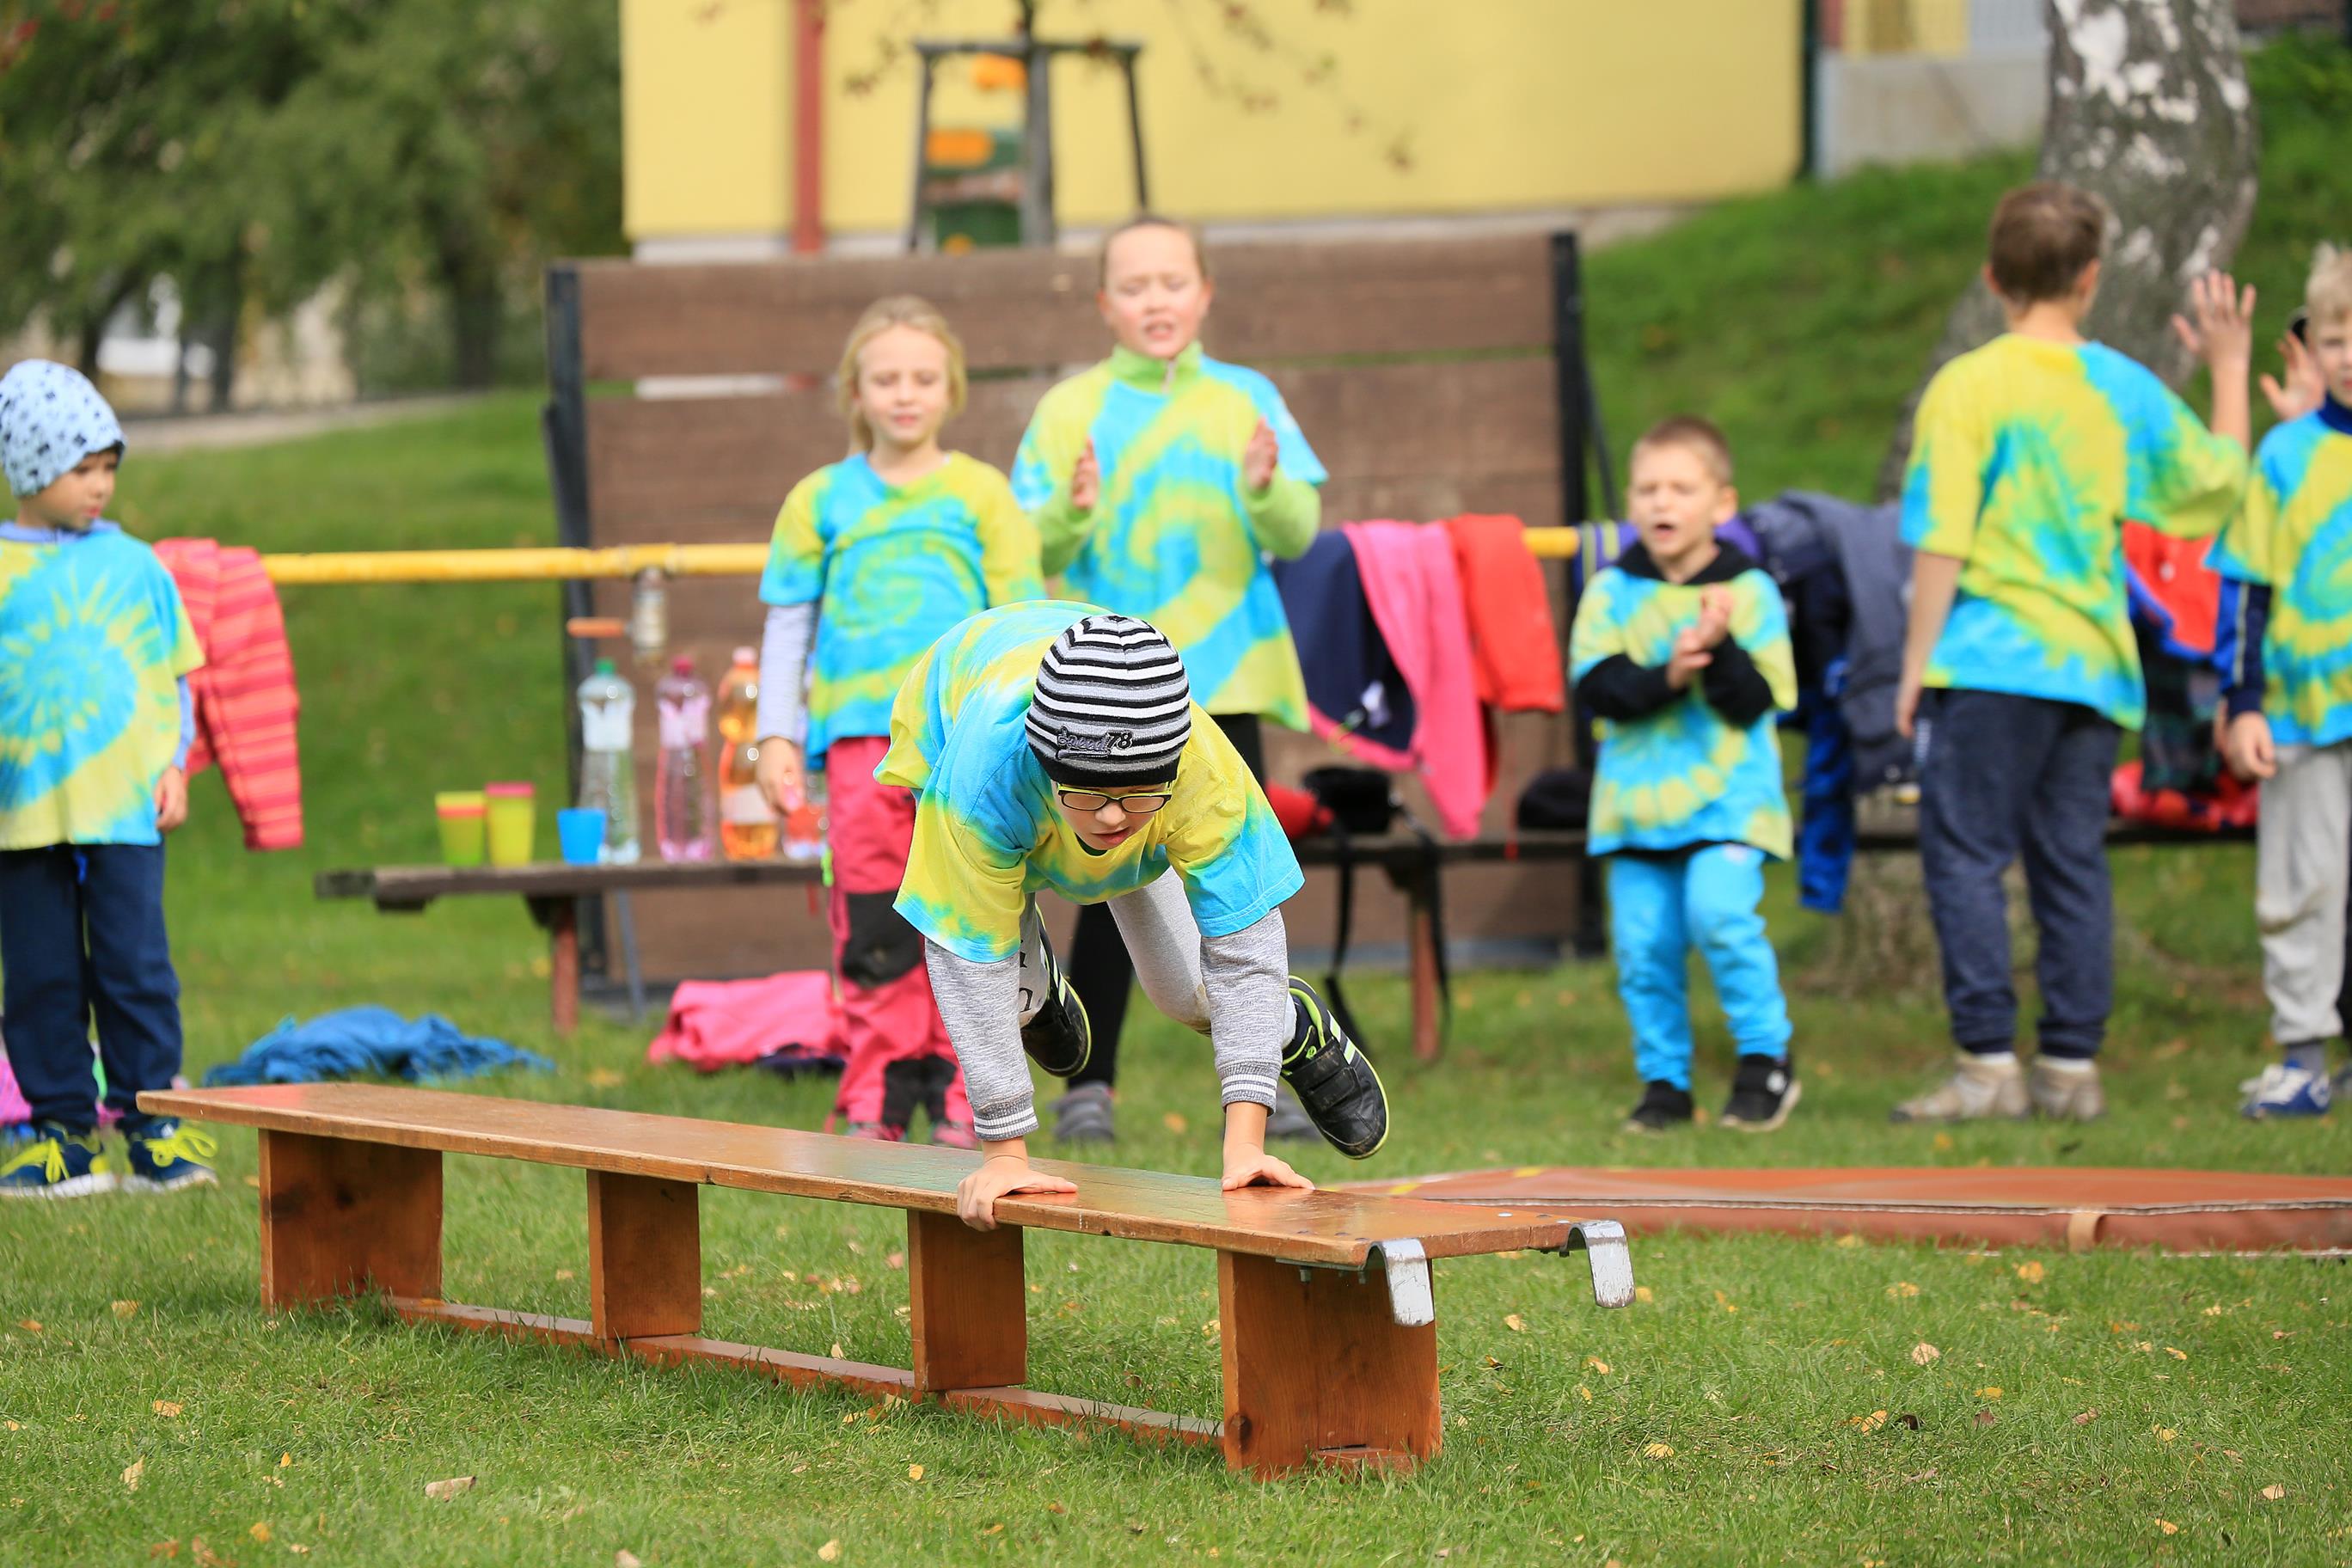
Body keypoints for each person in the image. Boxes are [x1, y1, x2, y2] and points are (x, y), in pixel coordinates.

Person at [1890, 181, 2253, 1123]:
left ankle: (1986, 1067)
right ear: (2090, 279)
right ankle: (2069, 1069)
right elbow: (2215, 486)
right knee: (2071, 863)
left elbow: (1941, 537)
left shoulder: (1967, 387)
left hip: (1989, 664)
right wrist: (2228, 367)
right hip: (2093, 672)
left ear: (1992, 277)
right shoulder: (2123, 388)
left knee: (1966, 857)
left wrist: (1914, 664)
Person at [874, 603, 1387, 1229]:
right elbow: (967, 957)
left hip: (1101, 776)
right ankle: (1035, 992)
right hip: (959, 716)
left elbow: (1244, 950)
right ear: (1046, 769)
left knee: (1187, 995)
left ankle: (1294, 1024)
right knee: (1001, 979)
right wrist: (1004, 1154)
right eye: (1090, 794)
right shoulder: (982, 782)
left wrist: (1246, 1147)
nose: (1114, 817)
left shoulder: (1207, 779)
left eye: (1138, 794)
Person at [1009, 214, 1325, 1145]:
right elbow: (1028, 547)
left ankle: (1269, 1078)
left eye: (1173, 282)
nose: (1156, 300)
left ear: (1205, 294)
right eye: (1135, 285)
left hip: (1227, 680)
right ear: (1104, 303)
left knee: (1240, 888)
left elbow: (1299, 531)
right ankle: (1089, 1088)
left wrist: (1264, 488)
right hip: (1107, 691)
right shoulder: (1069, 408)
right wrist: (1071, 514)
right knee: (1112, 876)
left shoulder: (1248, 398)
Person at [753, 297, 1045, 1146]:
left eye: (923, 377)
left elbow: (1024, 625)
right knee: (874, 915)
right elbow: (787, 627)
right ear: (855, 391)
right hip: (859, 745)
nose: (905, 393)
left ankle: (969, 1093)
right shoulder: (818, 500)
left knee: (972, 910)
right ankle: (877, 1091)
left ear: (951, 388)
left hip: (967, 744)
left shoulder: (983, 495)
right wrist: (775, 735)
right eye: (886, 379)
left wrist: (1025, 731)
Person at [0, 359, 217, 1197]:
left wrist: (175, 767)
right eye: (81, 469)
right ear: (28, 468)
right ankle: (61, 1136)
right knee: (42, 979)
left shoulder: (136, 566)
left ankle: (155, 1128)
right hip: (23, 821)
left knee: (136, 971)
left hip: (126, 813)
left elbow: (174, 678)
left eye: (108, 467)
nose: (100, 486)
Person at [1570, 416, 1800, 1134]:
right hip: (1634, 812)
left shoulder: (1751, 591)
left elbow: (1759, 701)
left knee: (1721, 917)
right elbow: (1598, 690)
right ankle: (1665, 1083)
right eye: (1647, 489)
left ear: (1722, 504)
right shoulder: (1610, 590)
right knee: (1643, 949)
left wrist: (1721, 648)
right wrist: (1669, 673)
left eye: (1681, 488)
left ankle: (1766, 1061)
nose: (1662, 502)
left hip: (1731, 804)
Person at [2214, 245, 2352, 1119]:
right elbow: (2246, 589)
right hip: (2301, 714)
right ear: (2312, 348)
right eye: (2336, 339)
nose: (2351, 356)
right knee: (2302, 885)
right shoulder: (2285, 455)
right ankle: (2302, 1055)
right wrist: (2243, 703)